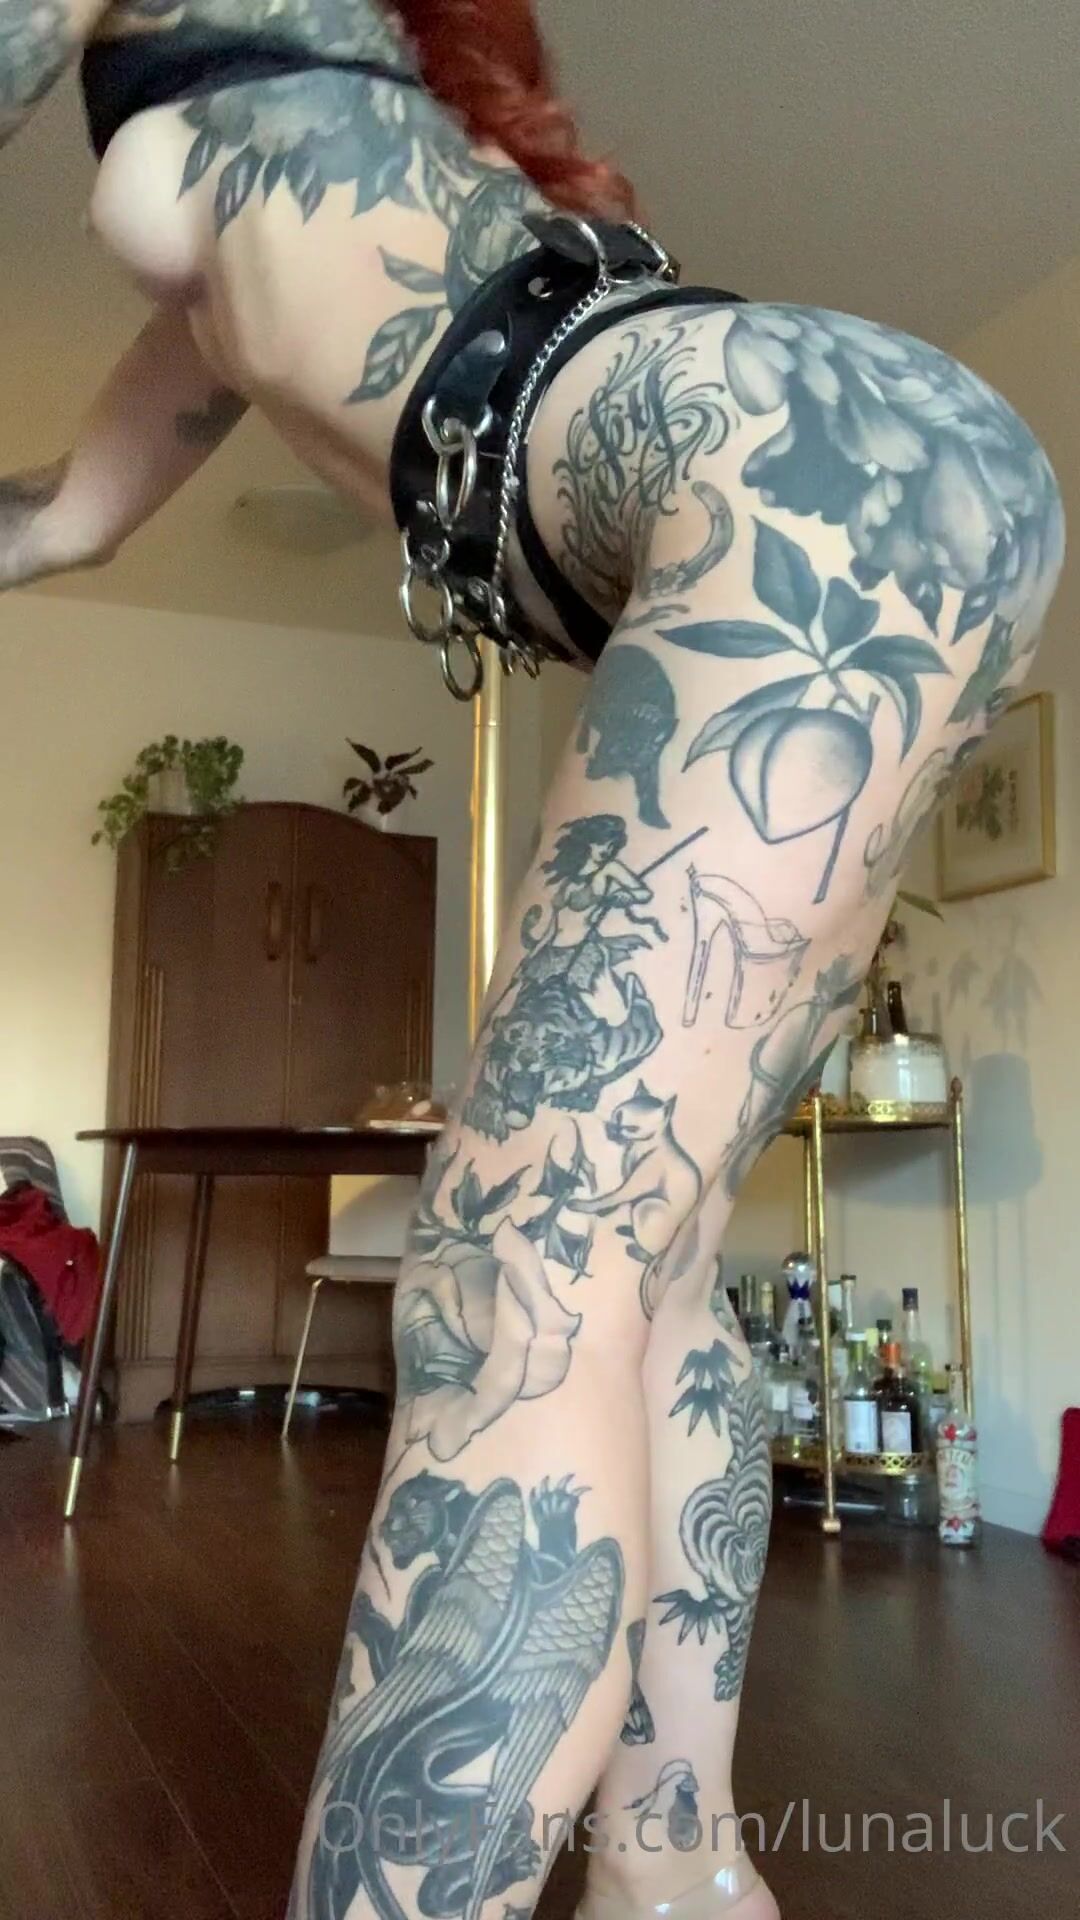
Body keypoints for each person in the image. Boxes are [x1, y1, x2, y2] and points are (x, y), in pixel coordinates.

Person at [0, 2, 1065, 1916]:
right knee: (639, 1282)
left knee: (515, 1283)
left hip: (777, 474)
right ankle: (677, 1868)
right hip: (876, 480)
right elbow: (62, 518)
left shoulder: (284, 46)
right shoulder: (250, 298)